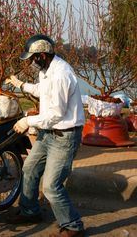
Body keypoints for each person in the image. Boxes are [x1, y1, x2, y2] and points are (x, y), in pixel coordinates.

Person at [6, 34, 85, 237]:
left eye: (33, 58)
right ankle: (30, 212)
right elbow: (43, 90)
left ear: (42, 55)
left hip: (64, 136)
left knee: (51, 186)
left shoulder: (61, 74)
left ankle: (73, 226)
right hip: (48, 133)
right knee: (29, 168)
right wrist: (21, 85)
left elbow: (55, 115)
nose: (31, 62)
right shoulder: (47, 69)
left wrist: (27, 121)